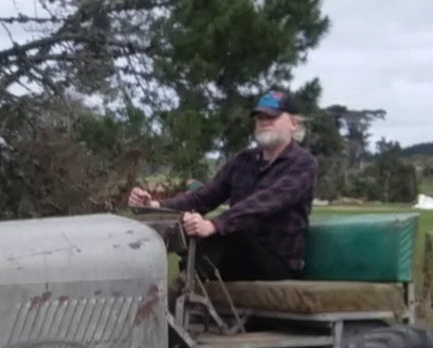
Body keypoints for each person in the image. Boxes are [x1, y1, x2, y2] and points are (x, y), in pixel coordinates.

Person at [128, 90, 317, 288]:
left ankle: (178, 292)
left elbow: (265, 202)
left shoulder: (303, 164)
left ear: (293, 123)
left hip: (276, 265)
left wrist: (215, 225)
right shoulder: (243, 160)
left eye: (272, 117)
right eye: (260, 117)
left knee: (229, 234)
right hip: (236, 257)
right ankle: (138, 285)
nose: (264, 122)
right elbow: (202, 198)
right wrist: (154, 205)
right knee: (179, 229)